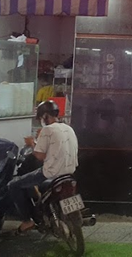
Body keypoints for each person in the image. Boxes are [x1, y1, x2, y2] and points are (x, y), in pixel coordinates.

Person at [9, 100, 79, 234]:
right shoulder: (68, 128)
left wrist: (32, 144)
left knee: (13, 185)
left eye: (41, 117)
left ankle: (27, 221)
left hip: (51, 173)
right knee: (27, 181)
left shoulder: (48, 129)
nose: (41, 120)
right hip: (69, 173)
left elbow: (39, 156)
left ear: (45, 115)